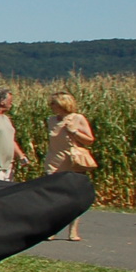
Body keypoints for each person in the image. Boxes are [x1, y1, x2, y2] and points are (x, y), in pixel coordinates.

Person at [44, 92, 96, 241]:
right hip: (54, 161)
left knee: (74, 197)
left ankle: (73, 231)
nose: (51, 106)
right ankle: (52, 229)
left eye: (53, 103)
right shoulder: (51, 120)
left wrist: (74, 131)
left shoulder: (78, 119)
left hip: (73, 161)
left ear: (62, 104)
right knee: (54, 198)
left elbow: (90, 140)